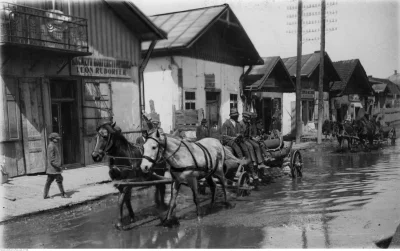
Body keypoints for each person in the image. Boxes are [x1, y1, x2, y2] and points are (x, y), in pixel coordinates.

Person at [43, 132, 67, 199]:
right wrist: (58, 166)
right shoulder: (51, 146)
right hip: (54, 168)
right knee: (59, 180)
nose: (58, 140)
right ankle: (63, 194)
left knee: (49, 182)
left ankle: (45, 195)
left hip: (52, 169)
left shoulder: (53, 145)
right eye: (56, 139)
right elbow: (52, 160)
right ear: (52, 139)